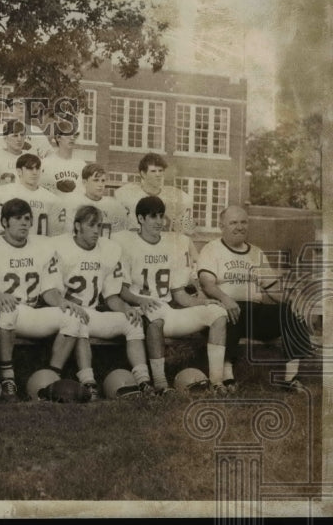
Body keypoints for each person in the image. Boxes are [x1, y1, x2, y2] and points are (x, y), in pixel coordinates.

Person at [0, 198, 90, 402]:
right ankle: (7, 378)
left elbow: (48, 290)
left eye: (27, 218)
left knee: (72, 317)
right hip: (9, 312)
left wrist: (63, 302)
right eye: (17, 218)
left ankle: (53, 377)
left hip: (34, 310)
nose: (24, 223)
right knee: (9, 308)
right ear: (5, 222)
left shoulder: (43, 245)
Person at [112, 196, 229, 395]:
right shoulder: (128, 246)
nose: (159, 221)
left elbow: (179, 294)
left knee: (217, 313)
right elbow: (121, 290)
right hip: (143, 308)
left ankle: (216, 381)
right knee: (155, 316)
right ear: (140, 219)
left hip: (167, 309)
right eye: (153, 217)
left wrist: (203, 302)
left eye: (161, 216)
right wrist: (140, 300)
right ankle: (161, 383)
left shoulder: (170, 246)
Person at [197, 205, 313, 392]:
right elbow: (207, 283)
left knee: (290, 313)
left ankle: (290, 378)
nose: (240, 227)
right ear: (221, 226)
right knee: (229, 313)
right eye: (233, 222)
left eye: (244, 222)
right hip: (224, 309)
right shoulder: (212, 249)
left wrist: (293, 301)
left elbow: (272, 288)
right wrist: (226, 299)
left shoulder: (256, 252)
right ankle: (227, 378)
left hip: (253, 312)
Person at [50, 205, 155, 399]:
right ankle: (88, 382)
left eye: (98, 225)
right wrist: (69, 306)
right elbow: (53, 293)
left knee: (132, 321)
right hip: (69, 313)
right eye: (91, 226)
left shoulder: (108, 250)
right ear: (77, 226)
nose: (96, 231)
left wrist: (126, 308)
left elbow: (111, 296)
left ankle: (144, 381)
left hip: (92, 312)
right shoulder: (61, 248)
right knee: (78, 319)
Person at [114, 153, 195, 234]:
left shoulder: (175, 195)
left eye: (160, 171)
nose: (158, 175)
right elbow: (117, 228)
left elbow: (187, 230)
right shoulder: (127, 193)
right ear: (143, 174)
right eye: (153, 171)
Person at [0, 153, 62, 236]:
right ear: (19, 171)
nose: (35, 172)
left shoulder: (51, 198)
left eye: (37, 168)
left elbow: (54, 235)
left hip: (39, 246)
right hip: (8, 245)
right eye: (29, 168)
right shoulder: (3, 192)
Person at [58, 164, 130, 240]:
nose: (100, 185)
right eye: (96, 180)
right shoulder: (73, 203)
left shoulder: (112, 205)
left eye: (103, 181)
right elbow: (68, 234)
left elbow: (119, 234)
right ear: (85, 182)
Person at [40, 120, 88, 194]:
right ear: (58, 138)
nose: (72, 138)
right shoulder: (46, 163)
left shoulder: (81, 165)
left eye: (74, 135)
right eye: (68, 134)